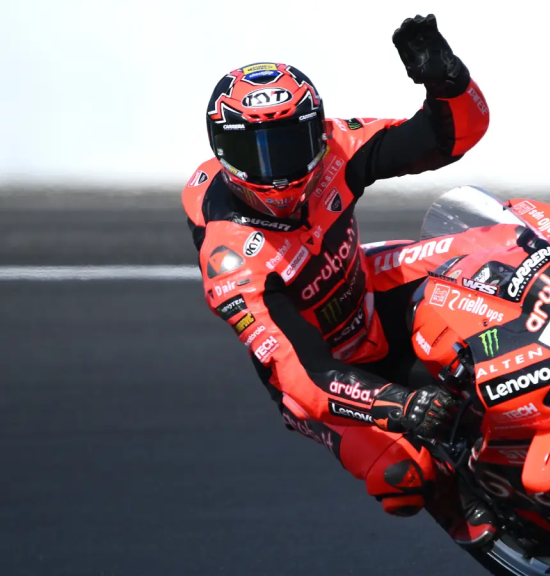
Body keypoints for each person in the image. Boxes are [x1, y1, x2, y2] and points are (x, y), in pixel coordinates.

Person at [182, 15, 496, 548]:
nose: (279, 171)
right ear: (224, 154)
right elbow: (305, 378)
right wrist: (398, 405)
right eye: (258, 154)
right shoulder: (231, 260)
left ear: (316, 130)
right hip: (325, 376)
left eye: (290, 145)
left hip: (367, 294)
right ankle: (492, 532)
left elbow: (447, 138)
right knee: (403, 479)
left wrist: (448, 82)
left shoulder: (334, 148)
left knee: (490, 256)